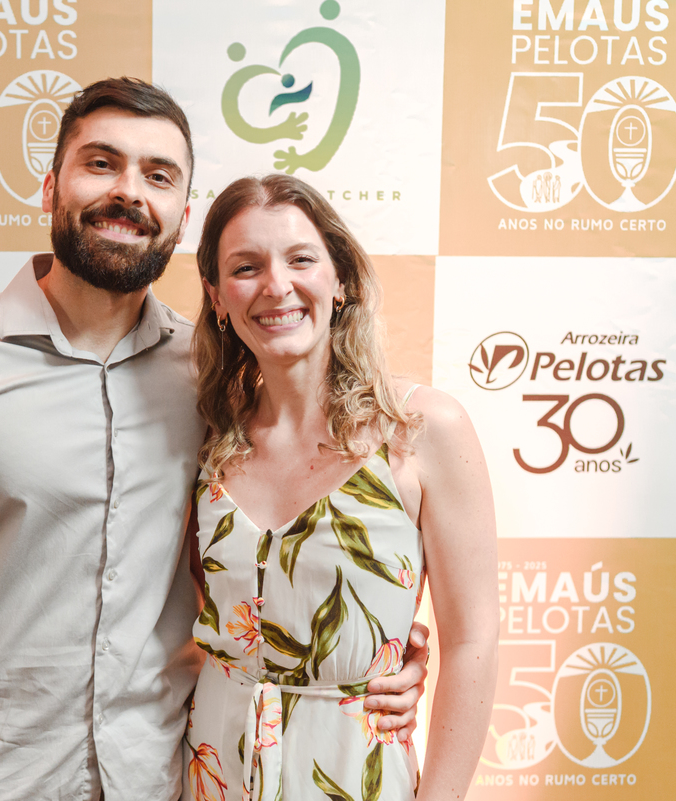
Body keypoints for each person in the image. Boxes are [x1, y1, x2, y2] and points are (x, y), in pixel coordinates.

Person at [0, 78, 428, 801]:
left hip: (163, 779)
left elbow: (267, 556)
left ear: (182, 218)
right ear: (50, 186)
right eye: (101, 163)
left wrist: (381, 652)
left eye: (159, 175)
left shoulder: (215, 382)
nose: (128, 192)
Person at [184, 174, 498, 800]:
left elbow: (473, 640)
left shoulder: (420, 429)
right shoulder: (204, 435)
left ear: (341, 279)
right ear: (216, 295)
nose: (277, 285)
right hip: (212, 770)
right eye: (246, 267)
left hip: (354, 773)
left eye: (301, 259)